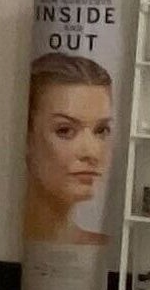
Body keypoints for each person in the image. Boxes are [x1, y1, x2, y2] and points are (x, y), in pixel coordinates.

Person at [22, 49, 116, 246]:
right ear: (27, 137)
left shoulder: (105, 249)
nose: (91, 153)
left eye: (101, 130)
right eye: (65, 130)